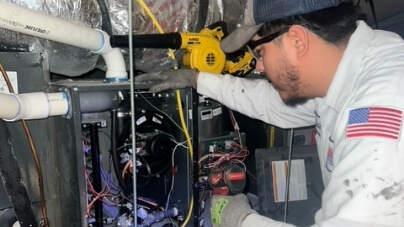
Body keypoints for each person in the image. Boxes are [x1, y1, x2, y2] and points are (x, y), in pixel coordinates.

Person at [135, 0, 404, 226]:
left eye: (260, 51)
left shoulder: (379, 116)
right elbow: (272, 103)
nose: (259, 68)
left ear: (297, 40)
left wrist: (240, 219)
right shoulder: (358, 62)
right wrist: (197, 79)